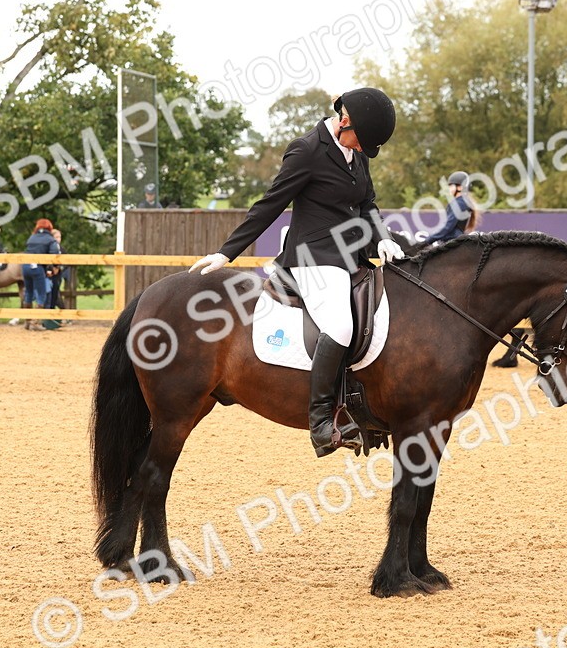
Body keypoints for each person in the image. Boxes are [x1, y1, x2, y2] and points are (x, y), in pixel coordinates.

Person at [189, 87, 404, 459]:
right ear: (345, 121)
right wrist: (227, 253)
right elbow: (270, 204)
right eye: (361, 141)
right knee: (340, 326)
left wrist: (382, 238)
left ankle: (365, 408)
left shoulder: (355, 153)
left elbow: (367, 203)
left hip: (352, 256)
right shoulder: (307, 150)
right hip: (313, 259)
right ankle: (321, 420)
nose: (361, 149)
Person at [22, 218, 61, 331]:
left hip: (26, 266)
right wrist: (55, 267)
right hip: (37, 268)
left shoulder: (32, 237)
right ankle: (36, 322)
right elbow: (55, 255)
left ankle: (27, 322)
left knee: (28, 293)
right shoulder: (50, 239)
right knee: (41, 294)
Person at [422, 171, 478, 246]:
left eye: (451, 186)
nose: (449, 189)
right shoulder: (460, 202)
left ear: (460, 187)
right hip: (452, 240)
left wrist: (427, 241)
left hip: (452, 241)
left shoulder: (460, 203)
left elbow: (448, 226)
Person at [45, 227, 71, 311]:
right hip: (48, 276)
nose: (58, 239)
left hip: (57, 276)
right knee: (47, 297)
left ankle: (53, 313)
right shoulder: (47, 248)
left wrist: (60, 268)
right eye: (56, 237)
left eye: (59, 237)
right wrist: (49, 269)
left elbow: (67, 262)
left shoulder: (62, 249)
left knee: (55, 295)